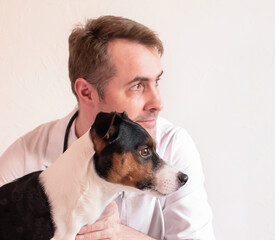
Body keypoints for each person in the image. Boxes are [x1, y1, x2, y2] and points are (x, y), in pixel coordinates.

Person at [0, 15, 215, 240]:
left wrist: (118, 233)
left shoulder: (175, 145)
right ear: (86, 92)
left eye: (156, 81)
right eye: (138, 85)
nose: (158, 103)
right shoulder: (24, 157)